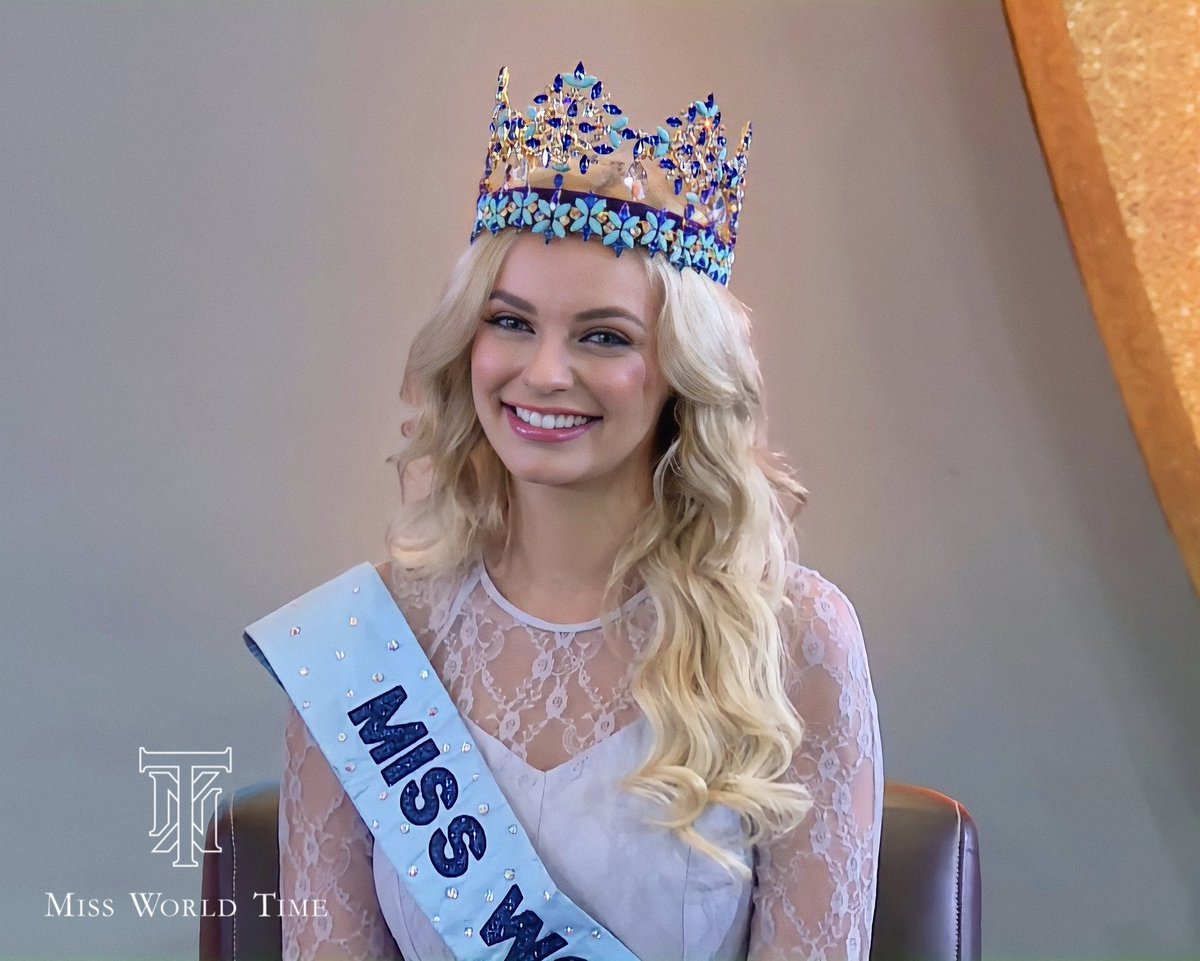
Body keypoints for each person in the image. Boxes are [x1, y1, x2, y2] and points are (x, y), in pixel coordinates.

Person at [246, 63, 882, 961]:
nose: (545, 372)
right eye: (510, 322)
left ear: (680, 373)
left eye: (603, 336)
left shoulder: (794, 639)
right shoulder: (363, 647)